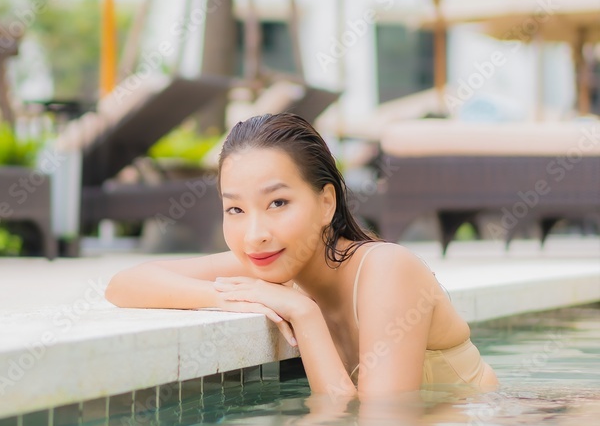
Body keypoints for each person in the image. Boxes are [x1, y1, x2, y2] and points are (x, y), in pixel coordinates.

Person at [105, 113, 498, 398]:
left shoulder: (387, 270)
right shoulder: (267, 263)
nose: (255, 235)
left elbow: (375, 424)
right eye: (235, 209)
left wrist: (302, 313)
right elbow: (125, 284)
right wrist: (228, 298)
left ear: (326, 202)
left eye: (278, 202)